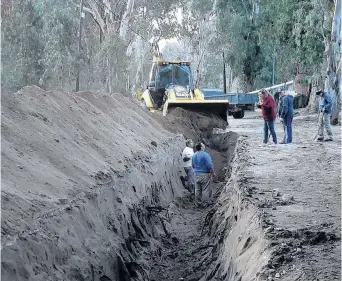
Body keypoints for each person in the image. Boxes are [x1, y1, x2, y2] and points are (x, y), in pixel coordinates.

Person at [192, 143, 215, 207]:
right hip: (204, 174)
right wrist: (213, 173)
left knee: (197, 189)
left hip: (196, 174)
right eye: (203, 145)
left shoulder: (194, 155)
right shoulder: (205, 155)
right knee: (205, 189)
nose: (204, 146)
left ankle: (198, 203)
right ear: (201, 147)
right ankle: (205, 204)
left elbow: (193, 165)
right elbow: (209, 165)